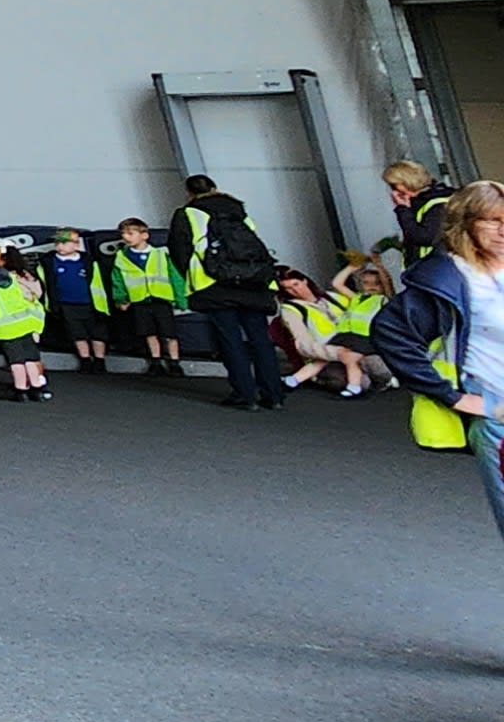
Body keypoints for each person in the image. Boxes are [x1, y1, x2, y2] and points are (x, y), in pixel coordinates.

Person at [365, 179, 504, 558]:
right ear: (465, 223)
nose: (503, 230)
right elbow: (392, 333)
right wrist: (453, 397)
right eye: (493, 221)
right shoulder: (451, 276)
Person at [190, 192, 288, 409]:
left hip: (217, 287)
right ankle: (274, 395)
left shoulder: (190, 214)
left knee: (230, 341)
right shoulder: (241, 214)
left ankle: (246, 394)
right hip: (254, 285)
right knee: (261, 340)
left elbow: (182, 251)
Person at [0, 240, 54, 405]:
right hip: (25, 322)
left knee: (16, 360)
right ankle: (36, 388)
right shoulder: (10, 276)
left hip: (4, 327)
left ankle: (20, 389)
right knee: (30, 357)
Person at [101, 216, 186, 376]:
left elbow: (175, 277)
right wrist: (121, 298)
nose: (126, 237)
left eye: (131, 233)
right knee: (149, 333)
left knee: (169, 333)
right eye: (124, 234)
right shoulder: (122, 258)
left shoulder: (161, 254)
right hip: (140, 300)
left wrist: (181, 298)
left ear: (144, 235)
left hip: (161, 299)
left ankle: (174, 362)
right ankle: (156, 361)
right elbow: (117, 280)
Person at [275, 270, 373, 399]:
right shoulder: (291, 309)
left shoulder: (333, 297)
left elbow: (358, 301)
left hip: (352, 341)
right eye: (288, 288)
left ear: (305, 281)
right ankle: (352, 386)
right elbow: (303, 344)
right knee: (360, 379)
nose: (295, 290)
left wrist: (355, 266)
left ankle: (293, 380)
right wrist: (336, 353)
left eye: (296, 284)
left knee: (377, 368)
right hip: (326, 350)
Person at [44, 227, 111, 374]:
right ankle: (85, 359)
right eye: (58, 243)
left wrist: (102, 305)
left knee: (97, 333)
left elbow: (98, 282)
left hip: (91, 303)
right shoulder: (49, 262)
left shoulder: (88, 261)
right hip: (66, 303)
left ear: (76, 244)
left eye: (65, 243)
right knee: (77, 333)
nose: (60, 246)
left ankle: (100, 360)